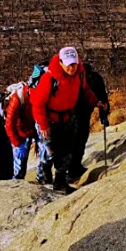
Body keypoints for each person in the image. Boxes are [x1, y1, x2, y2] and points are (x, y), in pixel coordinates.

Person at [30, 47, 102, 193]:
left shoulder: (79, 74)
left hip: (68, 117)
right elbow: (37, 103)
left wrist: (96, 102)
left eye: (74, 64)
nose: (71, 67)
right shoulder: (49, 78)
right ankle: (44, 173)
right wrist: (43, 125)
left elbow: (85, 91)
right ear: (61, 62)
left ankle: (60, 182)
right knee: (51, 152)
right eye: (68, 64)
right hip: (49, 119)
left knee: (67, 150)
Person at [70, 61, 110, 179]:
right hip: (83, 112)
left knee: (75, 140)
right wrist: (104, 115)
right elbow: (103, 98)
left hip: (73, 113)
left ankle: (73, 168)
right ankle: (74, 168)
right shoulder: (95, 78)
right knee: (80, 139)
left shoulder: (74, 78)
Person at [6, 77, 39, 180]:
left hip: (33, 132)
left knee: (42, 161)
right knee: (19, 166)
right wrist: (17, 144)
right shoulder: (18, 98)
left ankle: (42, 180)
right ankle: (16, 183)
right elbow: (9, 124)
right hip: (19, 134)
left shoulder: (42, 95)